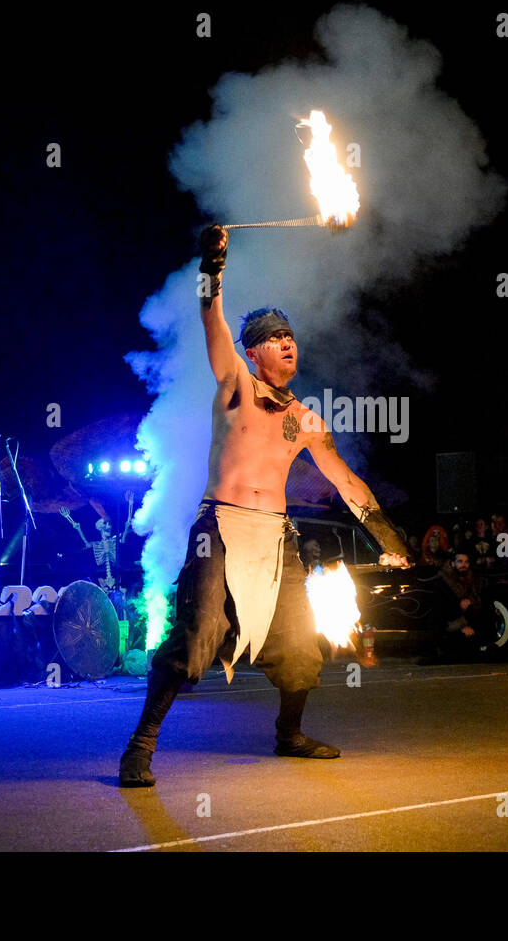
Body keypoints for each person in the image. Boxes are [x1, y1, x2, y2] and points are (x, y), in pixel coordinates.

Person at [118, 226, 411, 788]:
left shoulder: (305, 418)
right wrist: (213, 264)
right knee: (197, 635)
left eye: (291, 337)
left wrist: (390, 541)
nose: (287, 343)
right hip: (219, 528)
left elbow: (347, 481)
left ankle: (289, 735)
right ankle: (140, 745)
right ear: (253, 352)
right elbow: (212, 320)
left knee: (301, 646)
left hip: (276, 536)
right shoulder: (234, 386)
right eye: (274, 337)